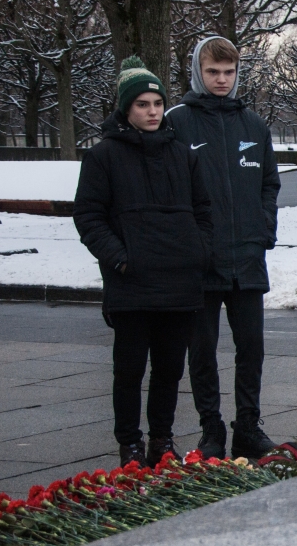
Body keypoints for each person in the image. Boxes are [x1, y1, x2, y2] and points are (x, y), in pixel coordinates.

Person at [74, 56, 213, 466]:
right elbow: (89, 216)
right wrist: (120, 259)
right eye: (142, 104)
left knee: (170, 370)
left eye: (157, 103)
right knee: (130, 370)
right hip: (132, 282)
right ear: (125, 109)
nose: (152, 112)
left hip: (179, 281)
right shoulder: (103, 157)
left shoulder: (183, 154)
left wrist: (198, 251)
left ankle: (161, 440)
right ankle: (130, 443)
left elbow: (203, 211)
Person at [166, 37, 279, 460]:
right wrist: (189, 243)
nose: (221, 80)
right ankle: (210, 429)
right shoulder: (177, 121)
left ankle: (248, 426)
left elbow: (270, 183)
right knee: (203, 351)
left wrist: (264, 228)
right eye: (213, 72)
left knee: (252, 348)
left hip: (248, 258)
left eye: (228, 72)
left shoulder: (253, 124)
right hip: (201, 262)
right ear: (198, 70)